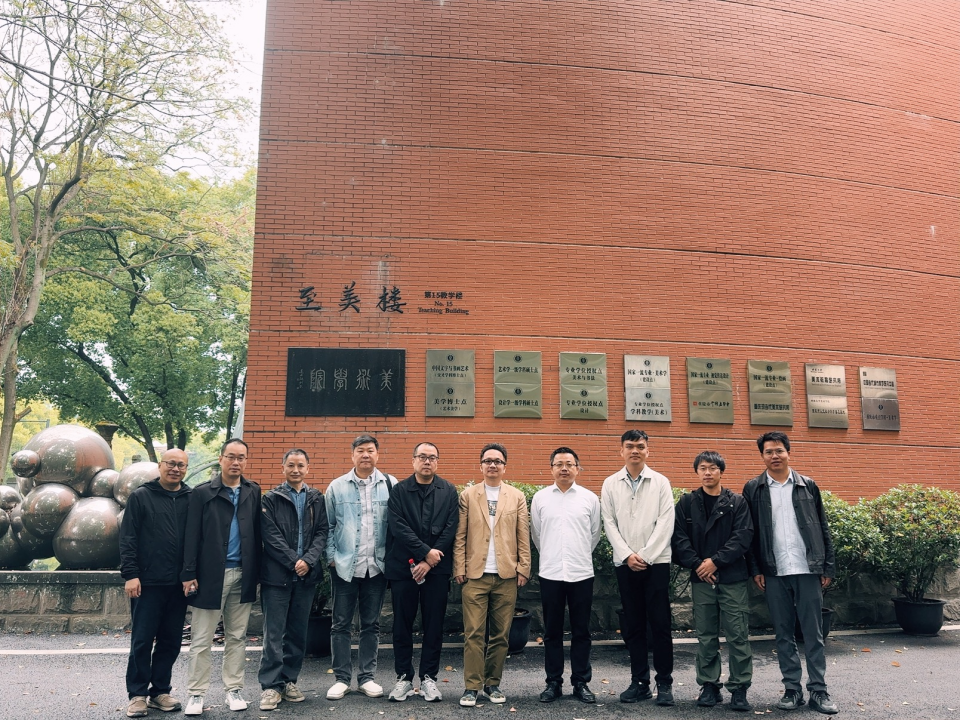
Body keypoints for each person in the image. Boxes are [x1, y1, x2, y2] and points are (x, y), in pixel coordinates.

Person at [742, 431, 838, 715]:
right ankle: (792, 689)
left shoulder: (807, 485)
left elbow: (822, 526)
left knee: (813, 633)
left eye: (779, 450)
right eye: (768, 452)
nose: (774, 456)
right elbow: (750, 534)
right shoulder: (753, 488)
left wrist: (826, 565)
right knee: (783, 633)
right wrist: (756, 569)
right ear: (762, 456)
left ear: (788, 452)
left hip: (807, 568)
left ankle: (819, 690)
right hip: (774, 571)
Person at [181, 438, 262, 716]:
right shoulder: (203, 493)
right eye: (231, 457)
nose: (236, 462)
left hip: (244, 573)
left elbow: (257, 532)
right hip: (210, 575)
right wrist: (189, 573)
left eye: (241, 457)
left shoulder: (253, 491)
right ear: (221, 459)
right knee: (201, 638)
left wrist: (257, 572)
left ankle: (234, 689)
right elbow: (191, 535)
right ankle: (196, 694)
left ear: (246, 461)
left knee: (237, 637)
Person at [672, 451, 754, 712]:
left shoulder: (737, 502)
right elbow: (678, 538)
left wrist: (715, 561)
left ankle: (739, 688)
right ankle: (709, 685)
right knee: (706, 635)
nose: (707, 472)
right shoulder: (687, 503)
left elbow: (743, 536)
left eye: (713, 468)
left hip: (732, 577)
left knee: (737, 634)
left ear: (721, 471)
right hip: (701, 579)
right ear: (697, 472)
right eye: (703, 468)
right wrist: (698, 564)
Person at [600, 429, 675, 706]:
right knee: (634, 625)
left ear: (647, 450)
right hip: (625, 563)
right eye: (630, 446)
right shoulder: (610, 484)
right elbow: (609, 522)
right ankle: (640, 682)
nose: (635, 450)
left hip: (657, 563)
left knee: (660, 624)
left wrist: (644, 555)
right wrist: (627, 555)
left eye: (640, 446)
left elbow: (666, 522)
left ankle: (664, 683)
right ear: (621, 451)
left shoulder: (661, 482)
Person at [453, 443, 531, 707]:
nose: (493, 465)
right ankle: (471, 687)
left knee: (501, 635)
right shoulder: (468, 495)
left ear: (504, 467)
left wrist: (523, 567)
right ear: (481, 466)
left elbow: (523, 535)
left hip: (506, 575)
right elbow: (460, 535)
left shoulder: (516, 497)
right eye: (488, 461)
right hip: (475, 575)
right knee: (473, 633)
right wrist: (459, 567)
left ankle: (492, 684)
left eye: (498, 461)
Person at [119, 449, 192, 718]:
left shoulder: (191, 498)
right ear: (160, 465)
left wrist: (191, 573)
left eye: (181, 465)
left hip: (178, 585)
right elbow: (128, 537)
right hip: (147, 583)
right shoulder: (141, 496)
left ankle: (160, 691)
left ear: (186, 468)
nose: (176, 469)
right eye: (171, 463)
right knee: (142, 640)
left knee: (170, 641)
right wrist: (131, 574)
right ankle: (137, 695)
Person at [385, 442, 459, 703]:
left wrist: (429, 561)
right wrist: (423, 553)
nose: (427, 461)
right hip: (403, 568)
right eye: (422, 457)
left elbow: (451, 527)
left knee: (434, 625)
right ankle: (404, 678)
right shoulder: (399, 491)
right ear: (413, 460)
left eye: (432, 457)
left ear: (437, 462)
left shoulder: (448, 490)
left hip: (436, 570)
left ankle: (429, 678)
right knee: (401, 626)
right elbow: (398, 526)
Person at [324, 434, 396, 701]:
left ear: (378, 454)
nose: (366, 455)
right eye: (361, 451)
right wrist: (331, 556)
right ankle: (342, 679)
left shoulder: (390, 484)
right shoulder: (337, 486)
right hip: (344, 566)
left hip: (377, 566)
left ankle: (367, 678)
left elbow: (397, 525)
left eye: (370, 450)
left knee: (371, 625)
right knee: (340, 624)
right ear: (352, 455)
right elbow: (328, 525)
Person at [257, 449, 329, 711]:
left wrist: (307, 561)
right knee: (274, 634)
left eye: (300, 465)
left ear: (308, 468)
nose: (295, 470)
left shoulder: (316, 498)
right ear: (283, 468)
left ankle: (289, 681)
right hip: (277, 576)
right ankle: (271, 686)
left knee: (298, 633)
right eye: (291, 465)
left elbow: (322, 531)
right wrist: (294, 561)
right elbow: (270, 536)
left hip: (306, 577)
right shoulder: (271, 498)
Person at [531, 447, 601, 704]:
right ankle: (553, 682)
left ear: (577, 468)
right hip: (551, 572)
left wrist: (576, 555)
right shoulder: (540, 498)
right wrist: (553, 555)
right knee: (552, 631)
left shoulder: (589, 498)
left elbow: (594, 534)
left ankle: (581, 682)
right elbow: (537, 534)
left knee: (582, 631)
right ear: (551, 468)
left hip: (581, 572)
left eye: (569, 464)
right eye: (559, 464)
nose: (564, 468)